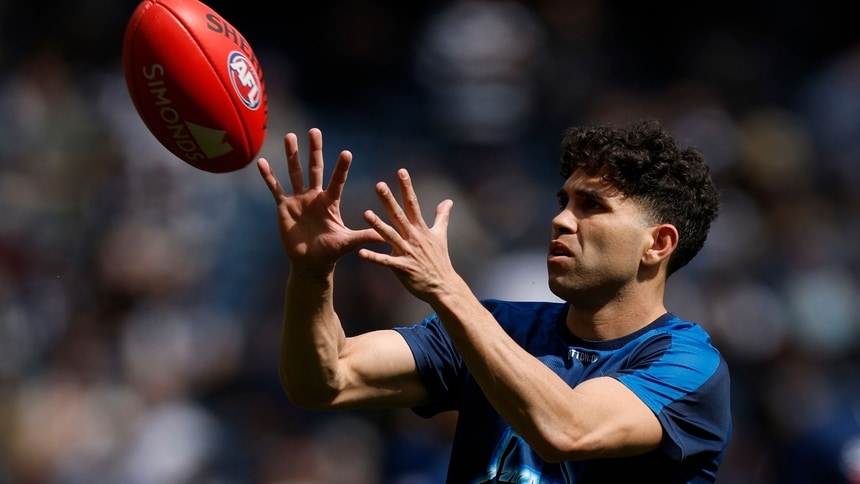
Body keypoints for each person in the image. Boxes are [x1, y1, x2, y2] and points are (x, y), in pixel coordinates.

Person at [256, 119, 732, 483]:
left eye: (592, 206)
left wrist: (448, 290)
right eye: (563, 201)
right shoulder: (496, 325)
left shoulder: (688, 366)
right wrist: (312, 274)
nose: (561, 221)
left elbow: (569, 430)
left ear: (657, 244)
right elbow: (324, 381)